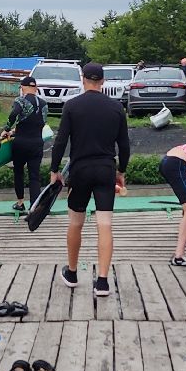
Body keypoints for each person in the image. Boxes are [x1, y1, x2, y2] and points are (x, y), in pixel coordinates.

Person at [50, 62, 130, 299]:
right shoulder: (116, 108)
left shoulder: (72, 106)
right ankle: (103, 282)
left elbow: (61, 141)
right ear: (103, 81)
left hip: (80, 171)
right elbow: (124, 145)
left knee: (76, 222)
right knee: (104, 224)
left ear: (83, 79)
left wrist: (55, 170)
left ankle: (72, 273)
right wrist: (121, 171)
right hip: (106, 170)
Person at [3, 74, 47, 211]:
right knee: (34, 175)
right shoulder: (44, 104)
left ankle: (20, 203)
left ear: (23, 87)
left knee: (19, 172)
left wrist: (7, 129)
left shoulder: (20, 100)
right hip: (37, 143)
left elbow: (14, 114)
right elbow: (39, 123)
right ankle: (35, 205)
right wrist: (13, 132)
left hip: (21, 143)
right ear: (36, 88)